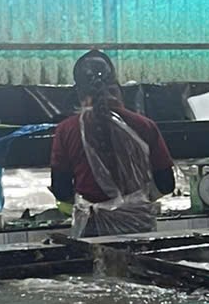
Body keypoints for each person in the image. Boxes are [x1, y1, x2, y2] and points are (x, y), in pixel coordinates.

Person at [50, 52, 172, 237]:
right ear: (116, 87)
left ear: (78, 91)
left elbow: (61, 189)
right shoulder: (145, 126)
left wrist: (92, 204)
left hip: (92, 228)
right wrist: (135, 201)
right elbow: (166, 183)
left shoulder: (66, 130)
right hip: (139, 226)